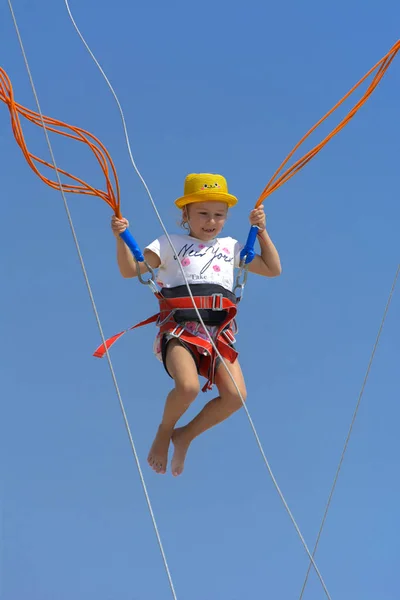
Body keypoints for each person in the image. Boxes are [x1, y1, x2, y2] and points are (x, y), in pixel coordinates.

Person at [111, 173, 281, 476]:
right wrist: (121, 238)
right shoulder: (169, 244)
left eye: (219, 215)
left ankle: (185, 435)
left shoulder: (231, 247)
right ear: (185, 214)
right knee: (188, 386)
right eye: (203, 213)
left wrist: (262, 232)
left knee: (235, 397)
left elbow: (272, 268)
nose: (211, 221)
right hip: (179, 330)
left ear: (227, 217)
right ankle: (164, 432)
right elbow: (130, 269)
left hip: (218, 335)